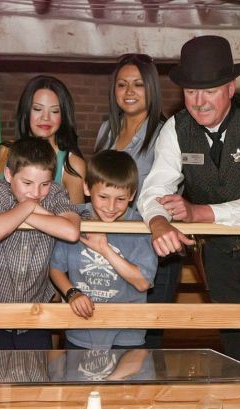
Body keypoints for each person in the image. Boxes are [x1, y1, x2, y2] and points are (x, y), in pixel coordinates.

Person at [138, 35, 240, 378]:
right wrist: (158, 222)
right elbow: (155, 188)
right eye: (190, 91)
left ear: (230, 88)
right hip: (219, 255)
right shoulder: (176, 128)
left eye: (209, 91)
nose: (199, 102)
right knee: (233, 353)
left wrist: (198, 213)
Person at [0, 137, 80, 409]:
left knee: (33, 390)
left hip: (36, 313)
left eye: (44, 184)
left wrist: (24, 209)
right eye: (27, 184)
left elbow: (71, 231)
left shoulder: (57, 193)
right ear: (9, 174)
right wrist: (32, 209)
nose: (36, 192)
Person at [95, 53, 178, 348]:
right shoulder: (107, 130)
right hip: (111, 248)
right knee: (106, 334)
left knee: (144, 342)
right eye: (122, 84)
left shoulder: (166, 133)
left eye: (138, 84)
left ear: (152, 88)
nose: (129, 92)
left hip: (152, 248)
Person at [50, 150, 156, 351]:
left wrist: (105, 250)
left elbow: (142, 282)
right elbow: (56, 268)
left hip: (126, 332)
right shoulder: (74, 218)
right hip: (81, 328)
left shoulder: (138, 225)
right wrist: (72, 293)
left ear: (132, 195)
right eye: (103, 197)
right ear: (86, 188)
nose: (111, 207)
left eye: (120, 199)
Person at [0, 75, 86, 203]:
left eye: (54, 111)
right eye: (37, 109)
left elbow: (77, 214)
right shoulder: (6, 150)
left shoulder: (72, 165)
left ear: (63, 115)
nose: (45, 117)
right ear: (26, 111)